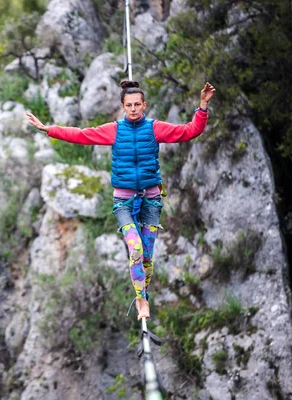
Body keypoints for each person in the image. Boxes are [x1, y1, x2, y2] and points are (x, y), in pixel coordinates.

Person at [27, 80, 216, 320]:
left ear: (144, 105)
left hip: (151, 200)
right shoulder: (114, 130)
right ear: (122, 107)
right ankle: (141, 300)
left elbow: (190, 131)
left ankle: (142, 292)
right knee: (135, 249)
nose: (134, 108)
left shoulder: (154, 128)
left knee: (147, 256)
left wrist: (202, 106)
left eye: (138, 104)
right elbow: (82, 135)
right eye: (129, 105)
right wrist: (49, 129)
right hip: (124, 201)